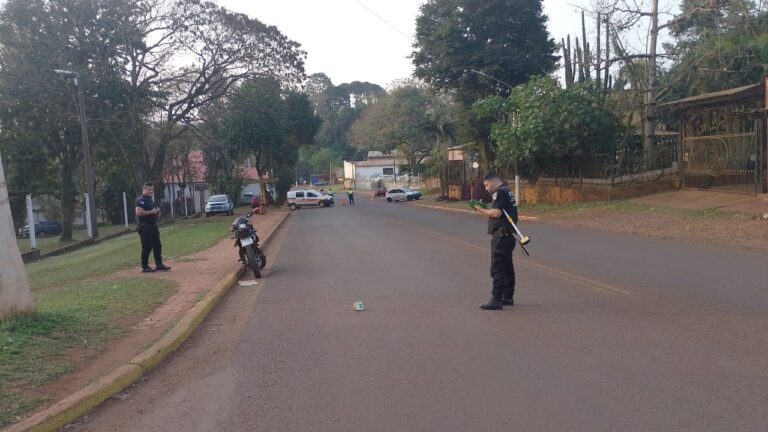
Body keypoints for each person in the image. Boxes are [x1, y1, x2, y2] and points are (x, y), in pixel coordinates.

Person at [472, 172, 518, 310]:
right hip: (509, 235)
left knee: (497, 267)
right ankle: (507, 297)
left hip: (501, 235)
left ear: (493, 181)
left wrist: (481, 210)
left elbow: (496, 213)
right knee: (507, 267)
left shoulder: (499, 192)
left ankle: (496, 299)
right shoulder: (508, 191)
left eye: (486, 185)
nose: (486, 188)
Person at [135, 182, 171, 273]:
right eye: (149, 189)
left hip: (153, 226)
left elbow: (153, 211)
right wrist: (152, 212)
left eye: (152, 190)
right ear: (144, 189)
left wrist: (157, 212)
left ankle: (159, 264)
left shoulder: (150, 200)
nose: (151, 191)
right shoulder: (140, 200)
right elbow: (139, 212)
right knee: (146, 247)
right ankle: (145, 266)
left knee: (157, 245)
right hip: (145, 227)